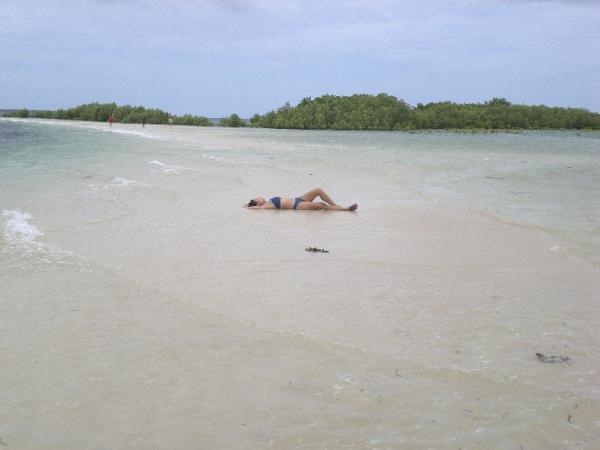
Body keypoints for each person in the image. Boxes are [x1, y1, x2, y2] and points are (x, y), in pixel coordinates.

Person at [245, 188, 358, 211]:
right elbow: (256, 209)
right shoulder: (266, 206)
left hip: (299, 199)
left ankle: (335, 205)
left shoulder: (269, 200)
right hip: (297, 206)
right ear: (258, 203)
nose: (259, 197)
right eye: (257, 199)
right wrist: (248, 206)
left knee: (318, 190)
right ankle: (345, 209)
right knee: (322, 205)